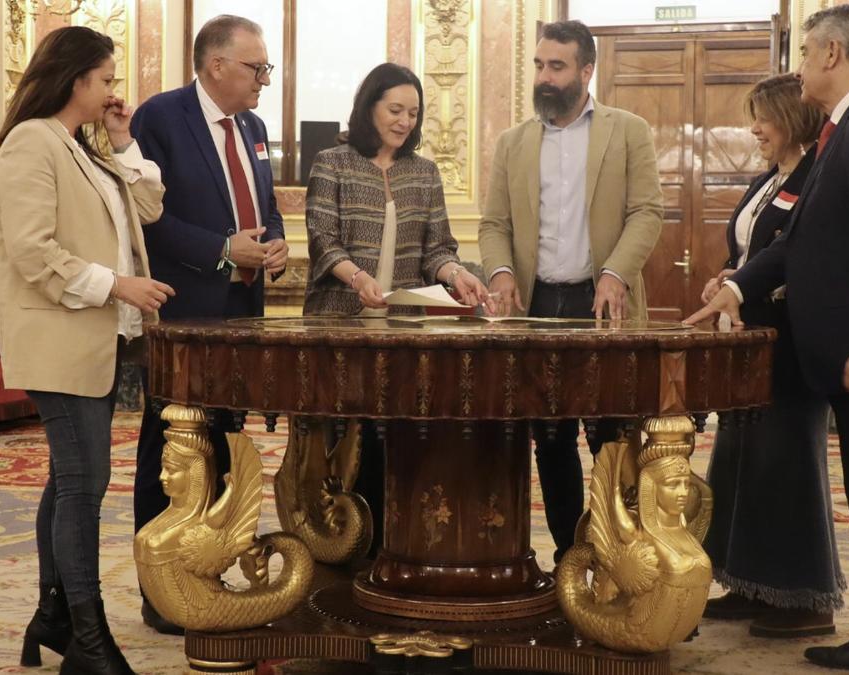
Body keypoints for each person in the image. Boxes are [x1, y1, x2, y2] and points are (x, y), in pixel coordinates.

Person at [686, 6, 849, 674]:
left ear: (834, 53)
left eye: (807, 52)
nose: (801, 64)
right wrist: (740, 286)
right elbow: (803, 241)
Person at [0, 26, 171, 674]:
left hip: (91, 340)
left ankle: (55, 616)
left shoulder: (83, 148)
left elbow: (149, 204)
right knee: (83, 481)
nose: (113, 91)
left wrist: (122, 140)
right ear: (76, 80)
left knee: (71, 480)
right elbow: (32, 251)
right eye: (105, 80)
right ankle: (88, 640)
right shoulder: (30, 143)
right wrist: (118, 284)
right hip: (57, 339)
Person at [477, 19, 663, 563]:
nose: (544, 76)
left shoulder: (628, 131)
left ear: (586, 70)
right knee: (551, 437)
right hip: (537, 308)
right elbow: (493, 225)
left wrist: (615, 273)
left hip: (602, 303)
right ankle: (568, 554)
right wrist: (501, 273)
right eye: (539, 65)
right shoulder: (513, 143)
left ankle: (616, 553)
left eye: (556, 66)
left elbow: (646, 212)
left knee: (610, 434)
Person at [128, 14, 288, 634]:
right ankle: (160, 592)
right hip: (184, 311)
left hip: (242, 313)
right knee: (171, 450)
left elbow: (266, 207)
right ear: (216, 65)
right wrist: (224, 249)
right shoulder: (161, 118)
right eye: (257, 68)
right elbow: (148, 216)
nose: (264, 81)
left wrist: (271, 244)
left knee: (224, 442)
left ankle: (208, 574)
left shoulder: (253, 127)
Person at [304, 62, 492, 553]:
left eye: (413, 112)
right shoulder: (332, 163)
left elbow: (437, 250)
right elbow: (323, 240)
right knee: (341, 436)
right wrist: (358, 277)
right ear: (370, 108)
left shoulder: (424, 173)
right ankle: (336, 542)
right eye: (395, 109)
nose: (405, 121)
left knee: (395, 433)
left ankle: (391, 543)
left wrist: (458, 274)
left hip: (403, 326)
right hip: (340, 318)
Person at [697, 73, 845, 639]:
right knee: (742, 464)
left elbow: (797, 254)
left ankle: (807, 600)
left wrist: (746, 286)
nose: (753, 127)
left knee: (788, 467)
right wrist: (730, 279)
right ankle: (750, 582)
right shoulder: (769, 180)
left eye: (763, 116)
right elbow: (756, 251)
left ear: (793, 118)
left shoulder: (816, 176)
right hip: (751, 345)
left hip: (792, 346)